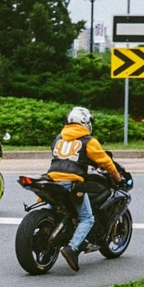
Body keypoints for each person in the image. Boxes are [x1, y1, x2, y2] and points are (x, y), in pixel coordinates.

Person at [47, 107, 124, 273]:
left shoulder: (58, 139)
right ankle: (72, 249)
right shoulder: (88, 140)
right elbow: (106, 162)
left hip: (51, 179)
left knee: (51, 206)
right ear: (85, 122)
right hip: (72, 182)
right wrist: (118, 178)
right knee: (87, 218)